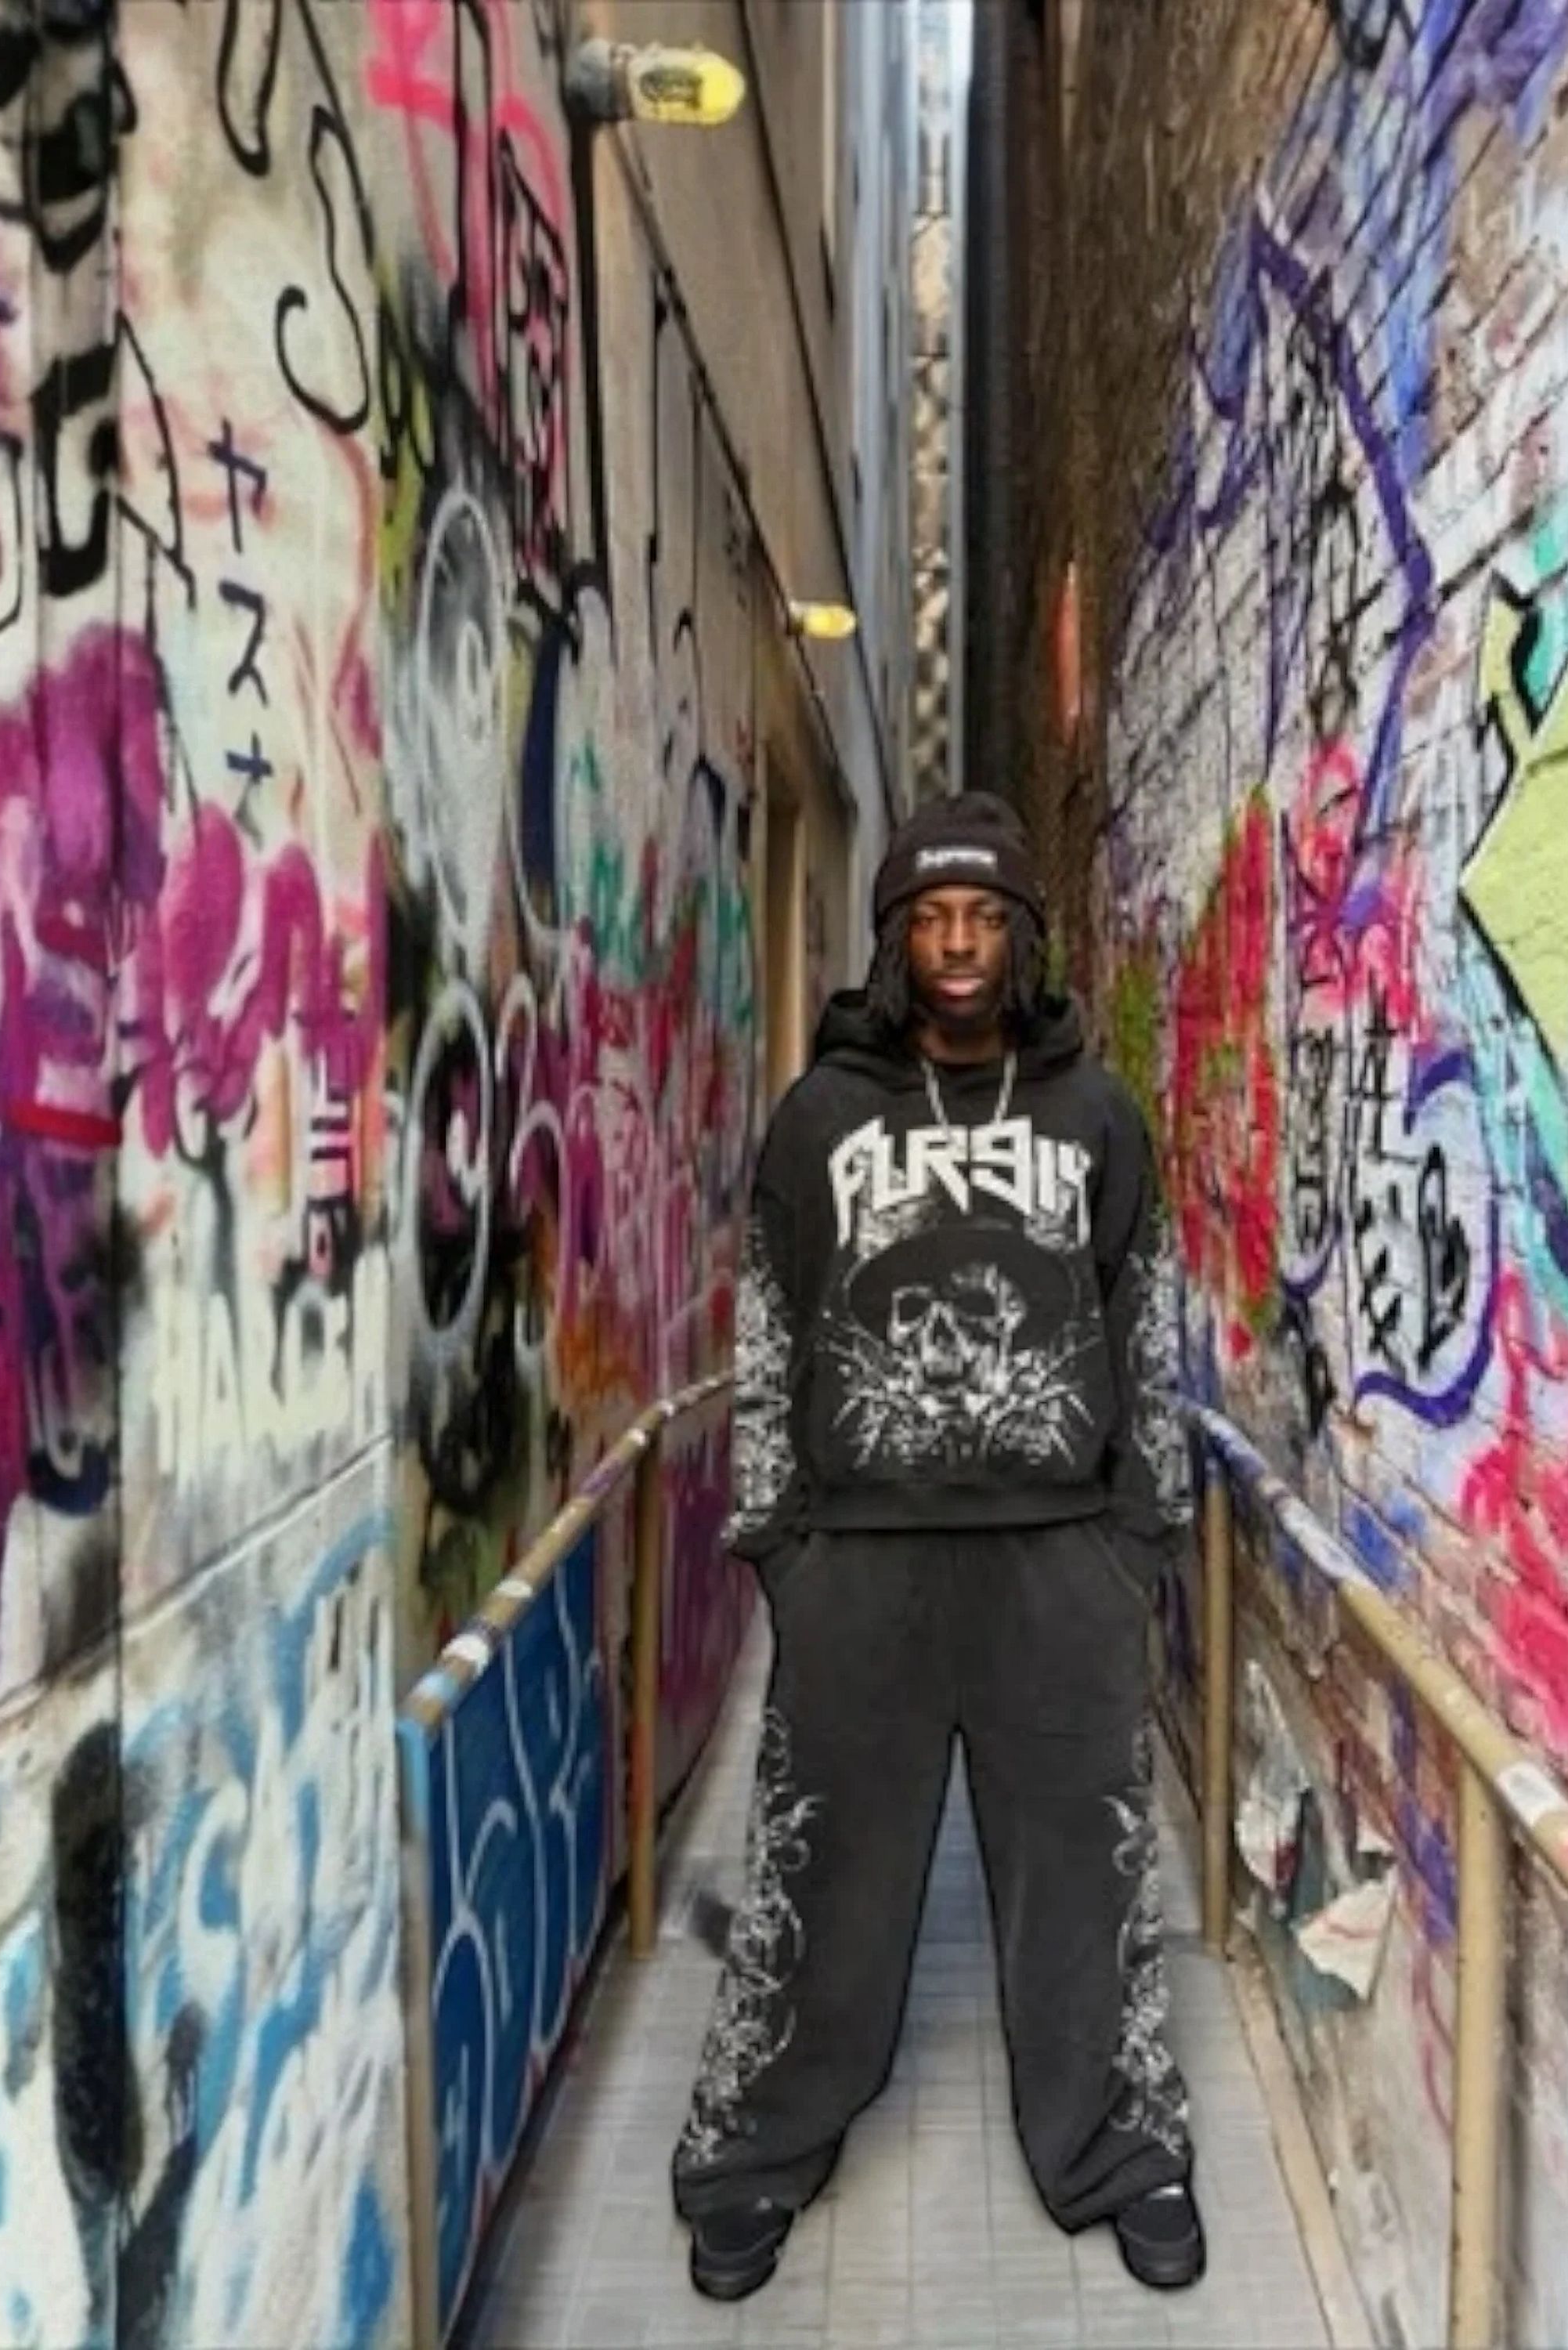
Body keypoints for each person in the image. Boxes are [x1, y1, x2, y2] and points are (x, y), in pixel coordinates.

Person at [671, 790, 1204, 2301]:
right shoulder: (821, 1117)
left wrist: (1140, 1534)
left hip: (1061, 1560)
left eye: (983, 918)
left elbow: (1145, 1318)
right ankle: (755, 2152)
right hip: (863, 1563)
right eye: (931, 918)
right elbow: (770, 1327)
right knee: (820, 1869)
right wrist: (779, 1543)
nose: (958, 944)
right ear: (897, 938)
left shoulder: (1098, 1115)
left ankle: (1121, 2150)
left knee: (1087, 1873)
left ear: (1021, 938)